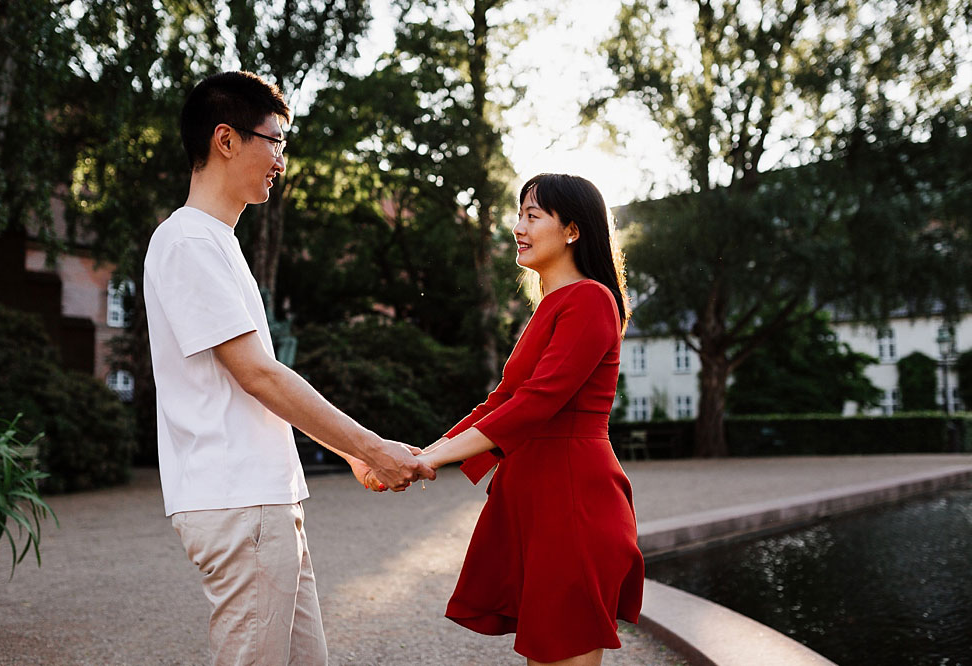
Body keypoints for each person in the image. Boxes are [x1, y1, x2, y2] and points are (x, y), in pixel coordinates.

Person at [143, 71, 434, 666]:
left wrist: (351, 453)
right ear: (226, 140)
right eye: (274, 141)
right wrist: (372, 447)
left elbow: (256, 383)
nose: (281, 160)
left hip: (263, 501)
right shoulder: (189, 242)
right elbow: (260, 374)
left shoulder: (216, 241)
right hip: (239, 502)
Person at [414, 174, 645, 665]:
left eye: (532, 215)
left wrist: (426, 461)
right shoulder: (550, 307)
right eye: (519, 214)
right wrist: (424, 455)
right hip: (539, 499)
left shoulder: (590, 299)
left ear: (573, 230)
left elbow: (537, 402)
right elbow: (503, 400)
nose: (518, 226)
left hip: (573, 501)